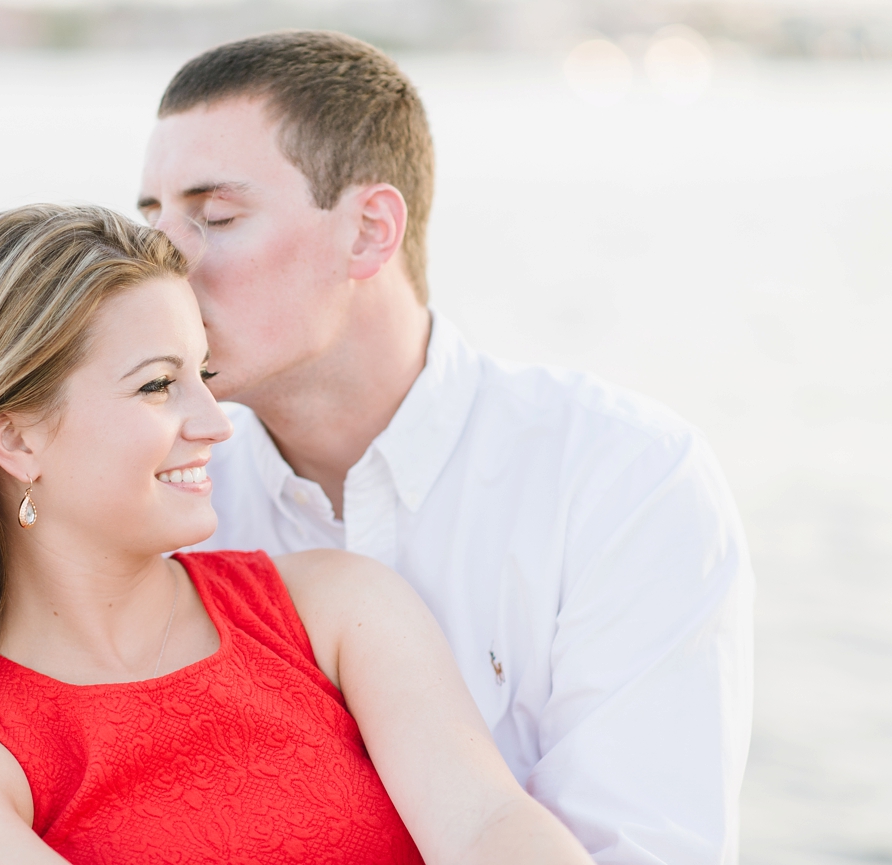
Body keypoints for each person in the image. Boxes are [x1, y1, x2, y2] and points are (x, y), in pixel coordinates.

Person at [137, 31, 754, 864]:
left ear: (369, 232)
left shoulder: (622, 481)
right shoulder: (158, 507)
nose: (160, 266)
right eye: (153, 222)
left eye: (215, 218)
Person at [0, 203, 592, 864]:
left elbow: (489, 823)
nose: (214, 422)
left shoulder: (334, 608)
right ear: (15, 441)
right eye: (156, 384)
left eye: (203, 373)